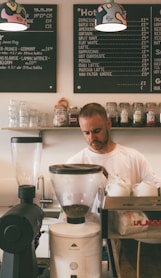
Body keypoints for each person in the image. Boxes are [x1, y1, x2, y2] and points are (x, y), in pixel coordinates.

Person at [66, 102, 161, 275]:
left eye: (96, 131)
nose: (91, 138)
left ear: (108, 124)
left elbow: (155, 190)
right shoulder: (74, 163)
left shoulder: (133, 158)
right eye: (86, 133)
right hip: (91, 242)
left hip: (129, 242)